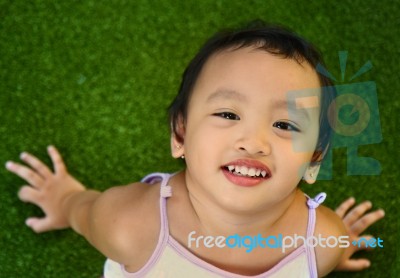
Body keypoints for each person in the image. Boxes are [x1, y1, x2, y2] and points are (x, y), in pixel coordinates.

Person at [5, 22, 384, 277]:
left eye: (285, 125)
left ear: (313, 157)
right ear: (180, 135)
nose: (253, 142)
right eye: (227, 113)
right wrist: (67, 200)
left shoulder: (321, 243)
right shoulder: (131, 224)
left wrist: (336, 243)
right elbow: (87, 213)